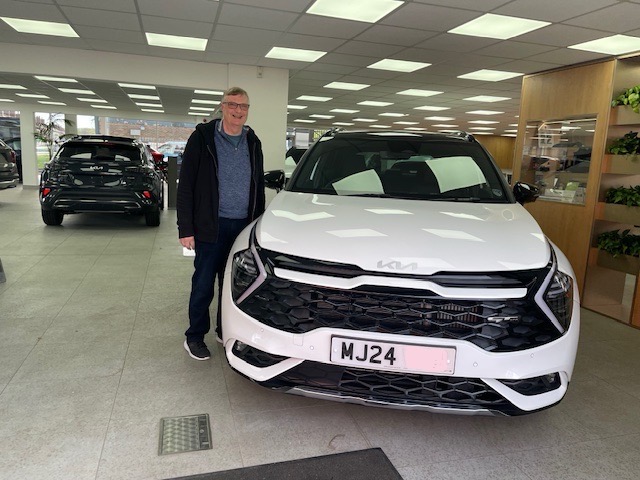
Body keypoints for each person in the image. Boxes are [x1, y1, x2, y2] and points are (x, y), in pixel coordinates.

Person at [177, 86, 265, 360]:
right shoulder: (202, 138)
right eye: (232, 105)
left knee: (232, 285)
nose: (238, 111)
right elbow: (186, 186)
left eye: (243, 107)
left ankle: (222, 328)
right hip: (209, 226)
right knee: (203, 284)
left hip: (241, 228)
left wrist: (256, 227)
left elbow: (258, 186)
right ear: (222, 107)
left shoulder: (253, 142)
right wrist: (186, 228)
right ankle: (194, 336)